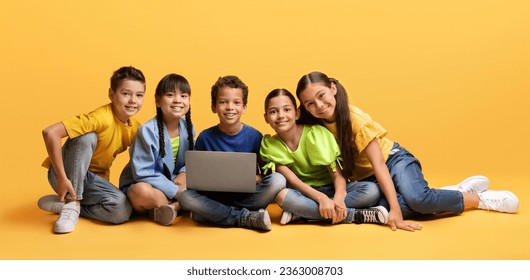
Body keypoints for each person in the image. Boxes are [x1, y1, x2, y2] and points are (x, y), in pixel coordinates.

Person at [295, 71, 520, 232]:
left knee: (415, 200)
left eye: (322, 95)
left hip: (393, 161)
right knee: (380, 208)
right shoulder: (315, 127)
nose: (319, 106)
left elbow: (379, 165)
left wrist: (396, 211)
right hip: (369, 178)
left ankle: (478, 199)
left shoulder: (355, 119)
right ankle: (449, 193)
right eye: (309, 104)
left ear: (333, 89)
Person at [38, 66, 146, 234]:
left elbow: (145, 160)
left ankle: (65, 206)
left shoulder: (135, 128)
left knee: (123, 210)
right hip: (65, 175)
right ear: (111, 94)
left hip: (93, 180)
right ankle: (73, 203)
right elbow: (50, 132)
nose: (133, 100)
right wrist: (61, 177)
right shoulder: (101, 117)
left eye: (139, 95)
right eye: (126, 94)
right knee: (87, 136)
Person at [260, 88, 389, 226]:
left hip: (332, 187)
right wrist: (320, 198)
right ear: (266, 117)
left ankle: (304, 214)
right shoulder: (270, 145)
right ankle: (354, 215)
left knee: (372, 190)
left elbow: (337, 176)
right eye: (273, 111)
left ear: (297, 113)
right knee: (281, 196)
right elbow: (294, 181)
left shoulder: (316, 134)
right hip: (304, 193)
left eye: (286, 110)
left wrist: (339, 198)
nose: (281, 116)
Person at [178, 75, 286, 232]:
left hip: (247, 198)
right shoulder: (205, 137)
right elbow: (196, 178)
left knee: (278, 180)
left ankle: (214, 214)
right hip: (214, 197)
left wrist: (246, 179)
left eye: (236, 103)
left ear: (244, 107)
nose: (230, 107)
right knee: (185, 197)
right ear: (214, 107)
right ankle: (245, 217)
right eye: (223, 102)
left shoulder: (255, 137)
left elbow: (266, 174)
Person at [119, 73, 194, 226]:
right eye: (170, 95)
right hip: (147, 183)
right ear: (158, 101)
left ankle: (169, 208)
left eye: (184, 96)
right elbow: (143, 172)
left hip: (174, 180)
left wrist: (184, 172)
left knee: (206, 182)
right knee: (141, 191)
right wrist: (175, 191)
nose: (178, 100)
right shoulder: (146, 131)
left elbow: (192, 159)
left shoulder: (189, 128)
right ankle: (179, 205)